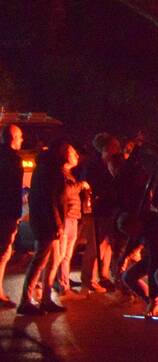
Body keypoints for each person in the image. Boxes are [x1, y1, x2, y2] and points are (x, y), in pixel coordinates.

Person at [18, 140, 71, 315]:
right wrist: (57, 223)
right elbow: (50, 199)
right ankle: (26, 300)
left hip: (48, 221)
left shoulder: (48, 167)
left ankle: (46, 298)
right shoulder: (51, 170)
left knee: (54, 260)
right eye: (67, 150)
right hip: (47, 223)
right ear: (60, 152)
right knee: (40, 260)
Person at [80, 133, 120, 293]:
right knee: (96, 246)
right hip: (98, 210)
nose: (118, 150)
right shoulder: (94, 166)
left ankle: (103, 276)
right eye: (114, 146)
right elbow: (90, 187)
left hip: (110, 209)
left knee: (106, 245)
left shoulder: (110, 164)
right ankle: (89, 279)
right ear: (105, 148)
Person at [55, 144, 87, 295]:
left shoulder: (68, 173)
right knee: (62, 254)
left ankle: (64, 282)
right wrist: (81, 185)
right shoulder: (60, 173)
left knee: (67, 255)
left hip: (73, 216)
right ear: (65, 156)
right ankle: (62, 284)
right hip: (66, 217)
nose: (77, 156)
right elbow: (66, 191)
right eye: (73, 153)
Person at [0, 124, 24, 308]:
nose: (22, 140)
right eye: (20, 137)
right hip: (6, 212)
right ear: (13, 138)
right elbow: (12, 189)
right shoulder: (13, 159)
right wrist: (16, 213)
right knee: (3, 251)